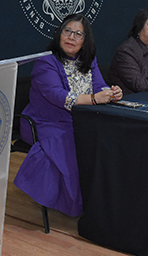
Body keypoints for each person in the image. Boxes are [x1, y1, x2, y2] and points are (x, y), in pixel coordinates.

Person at [14, 14, 122, 217]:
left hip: (79, 119)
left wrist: (111, 93)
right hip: (45, 122)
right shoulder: (46, 61)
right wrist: (94, 99)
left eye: (78, 34)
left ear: (85, 40)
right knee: (76, 141)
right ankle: (79, 204)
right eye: (68, 31)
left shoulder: (88, 60)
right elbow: (56, 95)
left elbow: (99, 85)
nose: (72, 37)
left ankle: (107, 196)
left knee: (111, 134)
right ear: (59, 34)